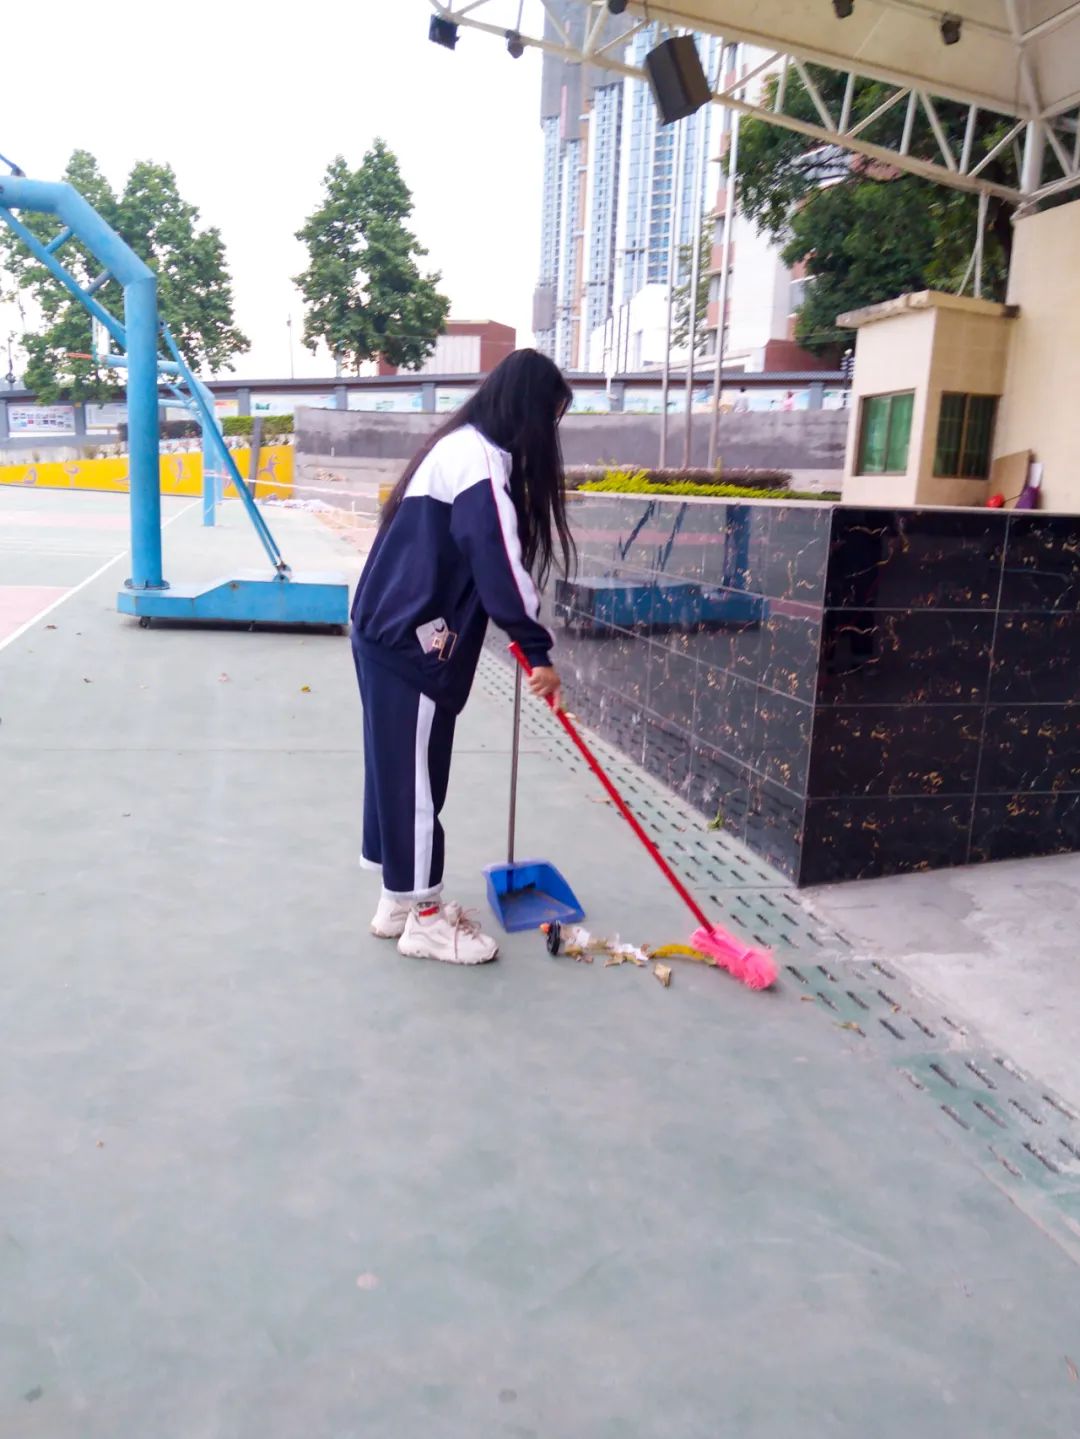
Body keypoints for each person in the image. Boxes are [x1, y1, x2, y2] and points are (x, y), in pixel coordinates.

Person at [350, 349, 574, 965]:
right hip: (411, 639)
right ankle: (424, 918)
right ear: (528, 410)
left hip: (390, 631)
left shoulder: (458, 448)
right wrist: (536, 650)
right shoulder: (476, 458)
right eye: (550, 419)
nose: (548, 435)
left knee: (402, 773)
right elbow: (496, 558)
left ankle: (398, 901)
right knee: (414, 780)